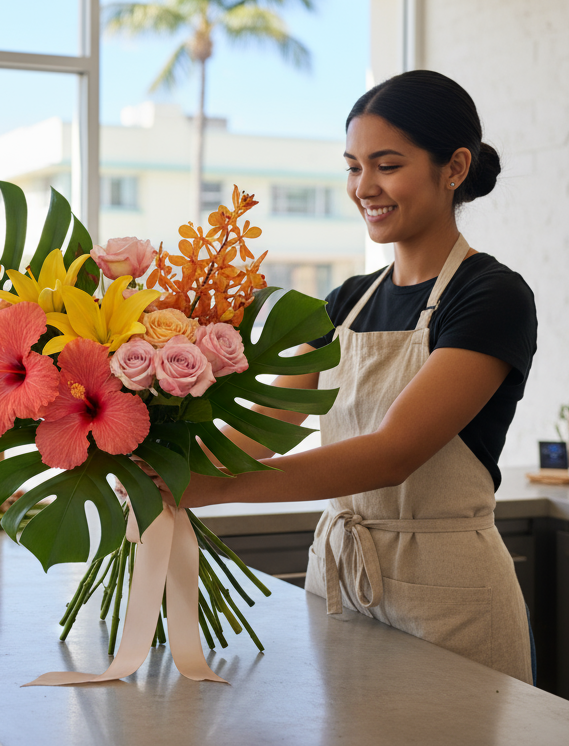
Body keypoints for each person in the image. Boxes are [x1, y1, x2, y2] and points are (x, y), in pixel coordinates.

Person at [171, 70, 537, 684]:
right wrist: (163, 468)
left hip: (450, 596)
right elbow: (268, 426)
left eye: (387, 165)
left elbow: (393, 454)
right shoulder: (345, 302)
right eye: (353, 167)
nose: (364, 187)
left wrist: (216, 488)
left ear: (454, 168)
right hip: (340, 579)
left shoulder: (491, 296)